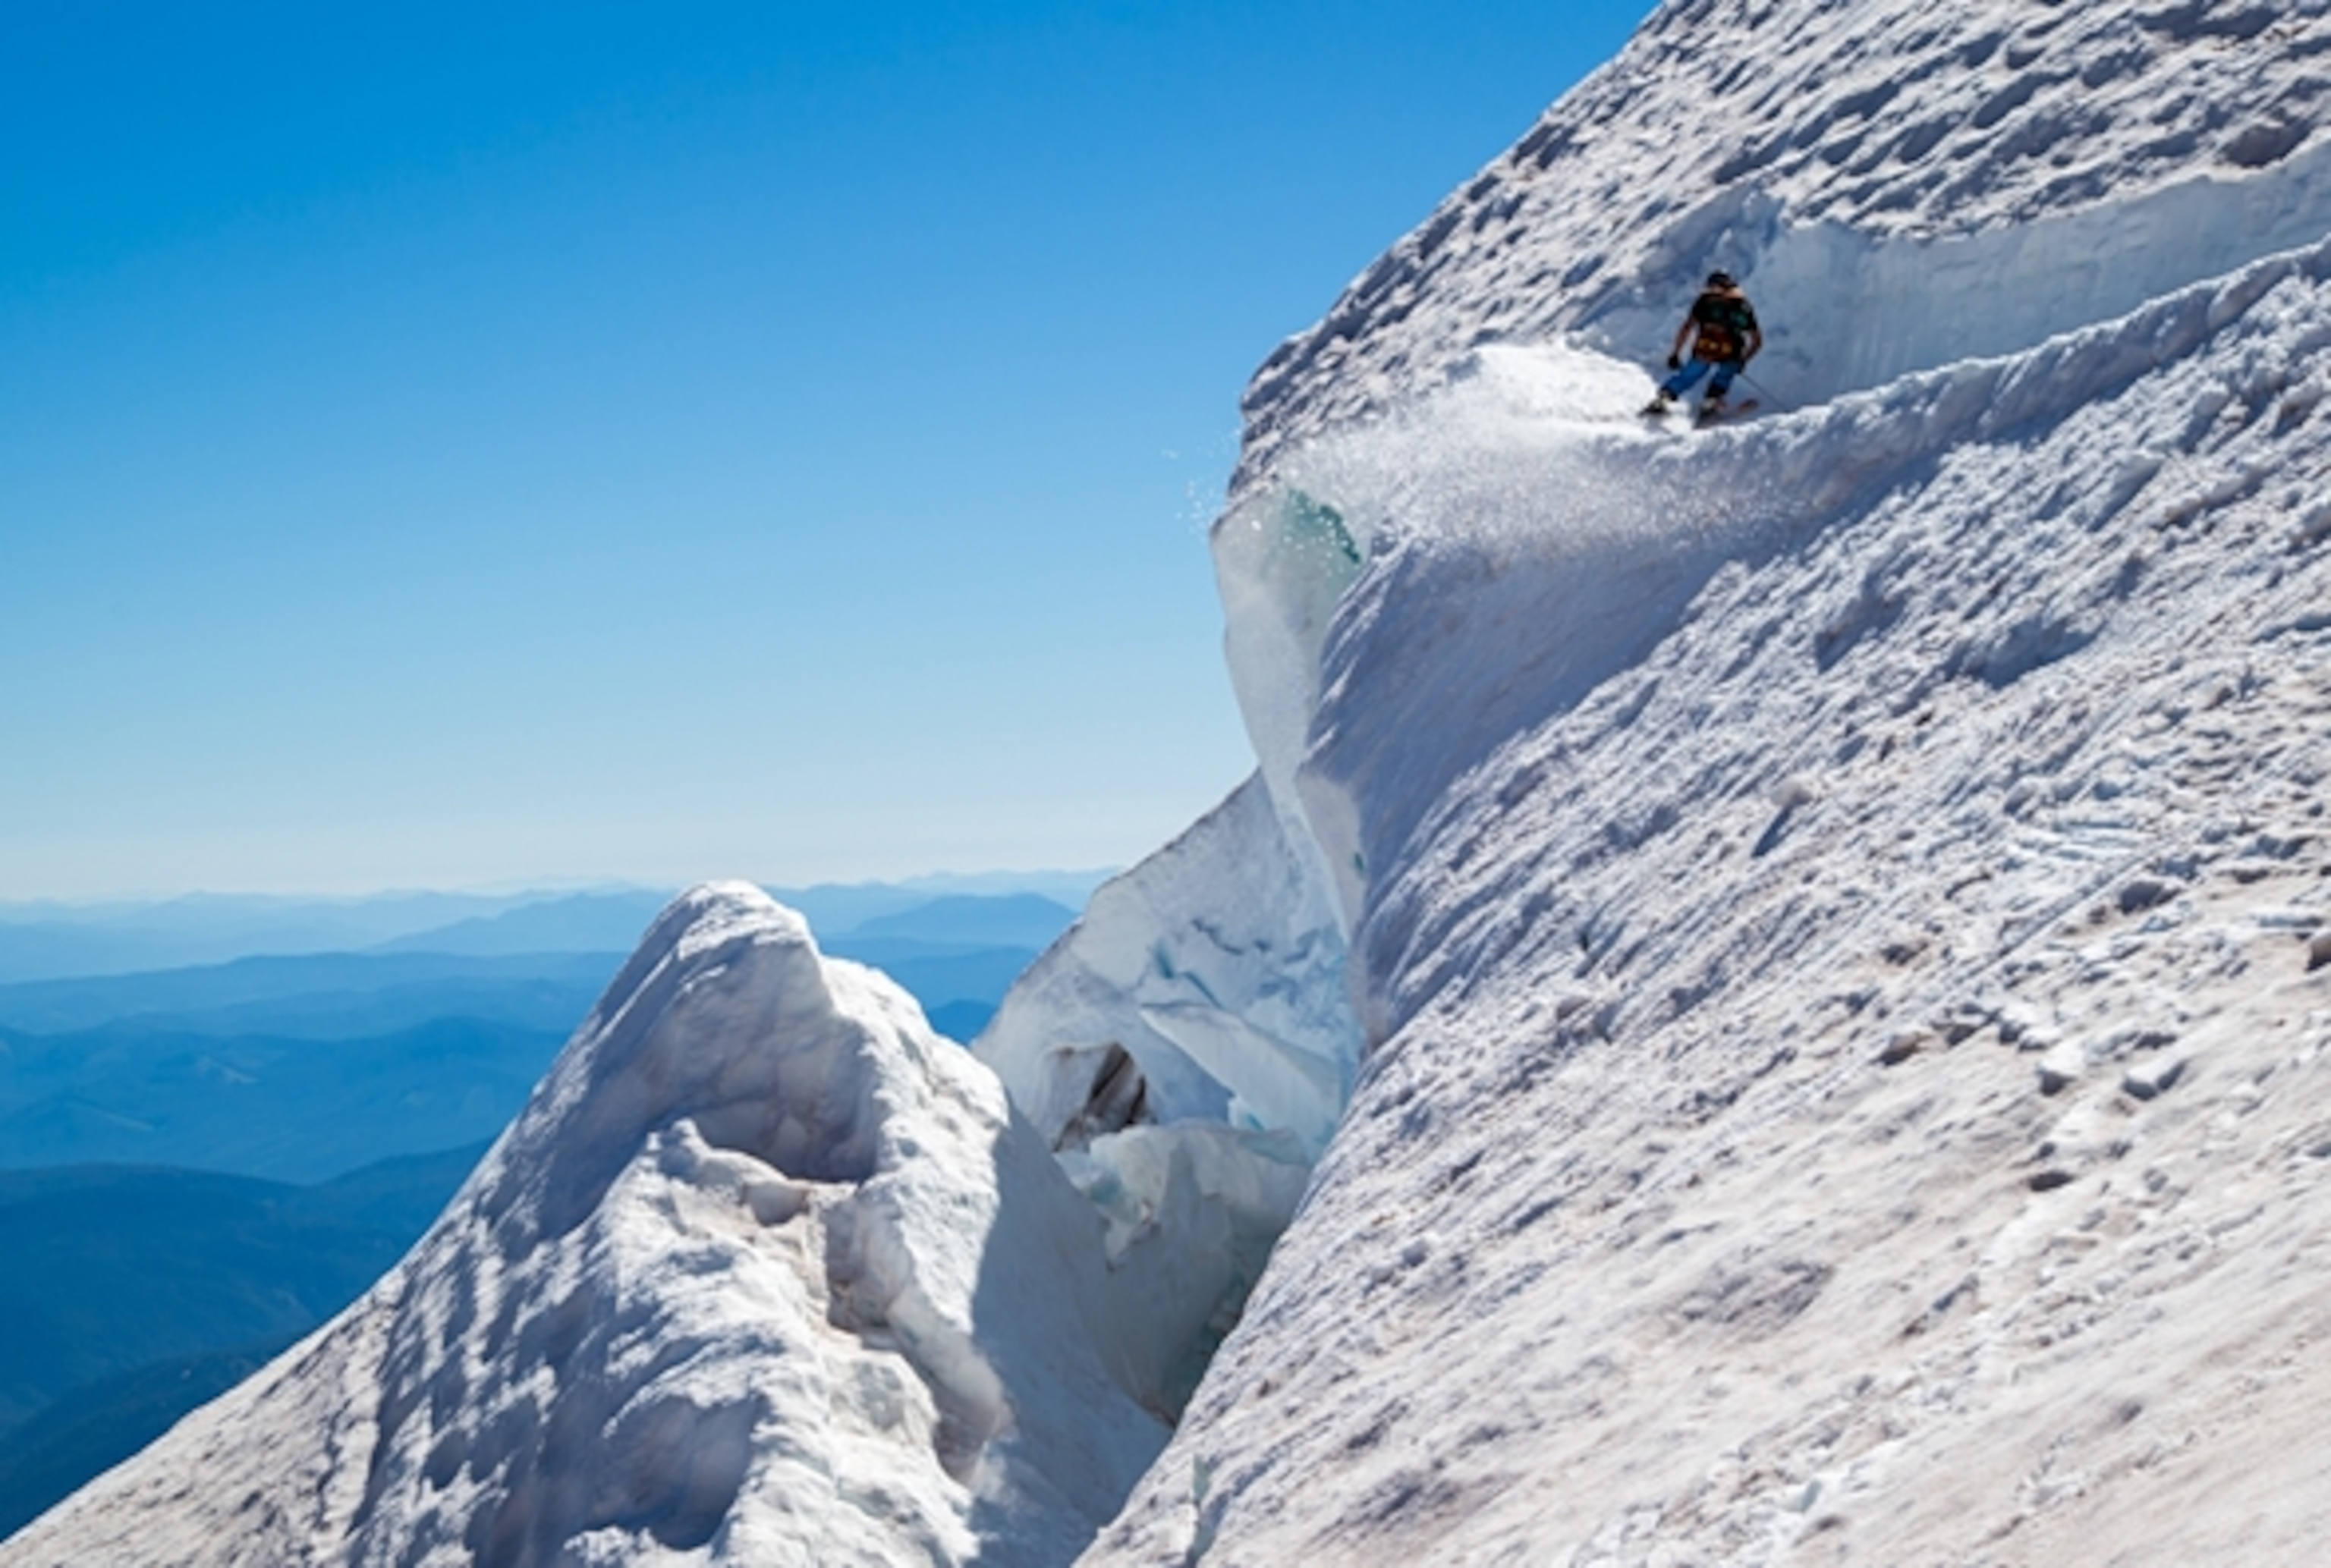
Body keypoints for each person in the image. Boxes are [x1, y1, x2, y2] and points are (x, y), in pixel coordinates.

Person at [1645, 271, 1763, 419]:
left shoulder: (1704, 302)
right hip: (1730, 352)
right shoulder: (1741, 306)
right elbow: (1757, 340)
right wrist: (1744, 360)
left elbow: (1687, 328)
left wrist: (1676, 353)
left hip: (1705, 349)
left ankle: (1664, 398)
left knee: (1689, 374)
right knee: (1725, 374)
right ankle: (1711, 402)